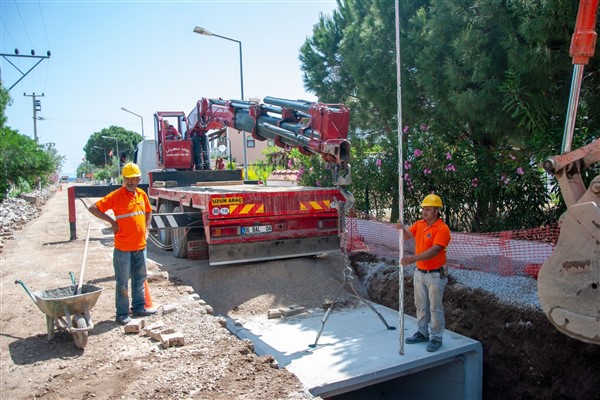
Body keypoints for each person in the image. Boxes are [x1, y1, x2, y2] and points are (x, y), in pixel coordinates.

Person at [88, 162, 156, 325]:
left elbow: (148, 211)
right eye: (127, 179)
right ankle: (122, 314)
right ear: (123, 179)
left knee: (140, 279)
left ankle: (139, 308)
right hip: (123, 248)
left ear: (139, 179)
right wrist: (112, 221)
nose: (130, 182)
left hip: (140, 247)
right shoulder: (117, 196)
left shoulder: (141, 195)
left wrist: (146, 228)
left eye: (133, 179)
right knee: (122, 282)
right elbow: (93, 208)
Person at [399, 193, 451, 352]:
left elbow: (435, 250)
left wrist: (413, 258)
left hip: (435, 274)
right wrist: (403, 229)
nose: (424, 212)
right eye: (423, 209)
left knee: (435, 307)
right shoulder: (420, 224)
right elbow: (408, 235)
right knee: (420, 305)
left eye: (428, 209)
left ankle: (436, 337)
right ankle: (422, 332)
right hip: (420, 273)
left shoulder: (442, 229)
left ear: (437, 211)